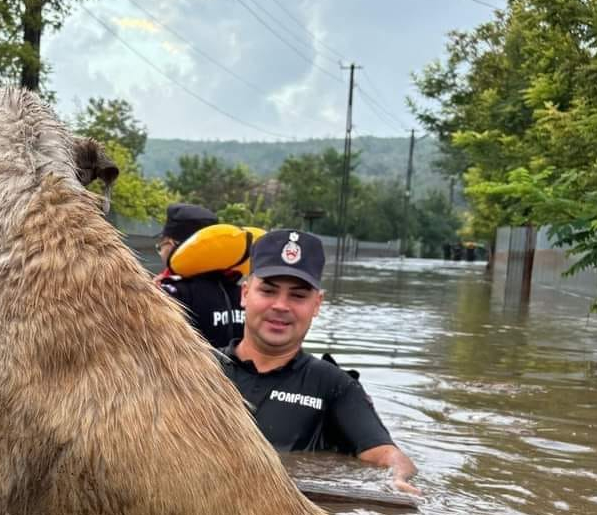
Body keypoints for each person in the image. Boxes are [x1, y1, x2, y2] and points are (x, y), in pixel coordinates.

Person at [216, 228, 419, 491]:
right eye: (268, 291)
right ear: (245, 294)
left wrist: (397, 478)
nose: (281, 305)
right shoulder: (199, 367)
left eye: (298, 296)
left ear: (317, 304)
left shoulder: (333, 385)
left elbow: (387, 455)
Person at [155, 202, 244, 349]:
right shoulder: (242, 292)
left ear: (172, 245)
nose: (161, 252)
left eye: (161, 246)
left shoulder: (173, 293)